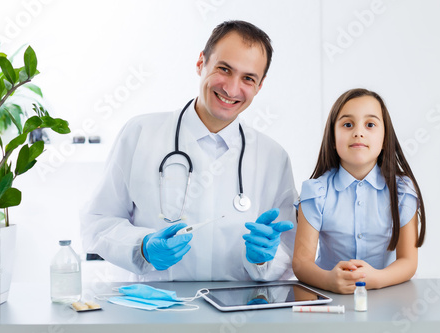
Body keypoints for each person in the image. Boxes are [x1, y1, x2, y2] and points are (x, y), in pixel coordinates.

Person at [81, 20, 297, 282]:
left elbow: (289, 249)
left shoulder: (273, 157)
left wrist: (263, 259)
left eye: (248, 78)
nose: (231, 88)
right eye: (224, 69)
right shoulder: (140, 133)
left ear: (260, 86)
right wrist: (142, 246)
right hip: (155, 312)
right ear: (200, 63)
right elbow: (98, 221)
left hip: (238, 314)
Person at [292, 88, 426, 294]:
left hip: (388, 297)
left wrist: (376, 279)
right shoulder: (316, 192)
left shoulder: (402, 192)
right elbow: (301, 263)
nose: (358, 132)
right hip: (329, 298)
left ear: (384, 139)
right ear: (332, 139)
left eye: (370, 124)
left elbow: (408, 262)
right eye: (347, 124)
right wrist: (329, 280)